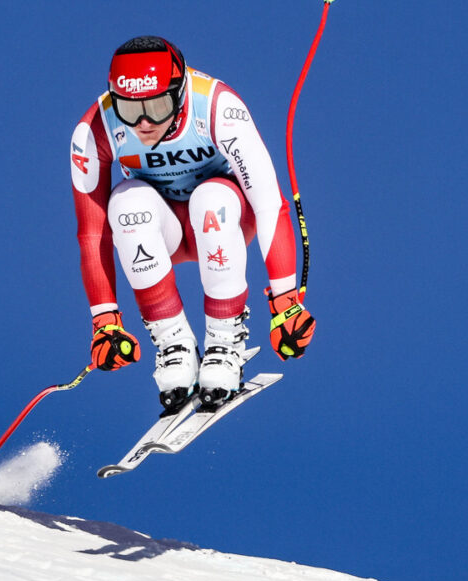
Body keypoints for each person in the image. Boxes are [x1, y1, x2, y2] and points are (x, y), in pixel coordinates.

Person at [70, 35, 316, 413]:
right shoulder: (95, 130)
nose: (145, 122)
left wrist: (285, 302)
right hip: (162, 227)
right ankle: (174, 346)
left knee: (210, 198)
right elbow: (93, 231)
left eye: (158, 105)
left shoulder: (218, 107)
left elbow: (269, 204)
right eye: (130, 109)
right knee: (125, 204)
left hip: (224, 219)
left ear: (180, 92)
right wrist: (104, 320)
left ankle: (224, 341)